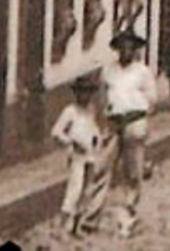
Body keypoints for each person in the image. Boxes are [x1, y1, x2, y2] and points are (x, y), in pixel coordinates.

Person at [101, 29, 157, 239]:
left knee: (132, 170)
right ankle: (90, 217)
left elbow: (152, 99)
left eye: (130, 47)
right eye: (122, 47)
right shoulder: (109, 70)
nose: (126, 51)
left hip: (134, 122)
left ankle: (129, 212)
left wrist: (139, 114)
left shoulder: (142, 72)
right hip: (114, 123)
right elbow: (104, 95)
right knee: (102, 167)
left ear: (135, 50)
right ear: (117, 49)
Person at [51, 76, 107, 237]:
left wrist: (98, 139)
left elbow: (93, 128)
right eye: (81, 92)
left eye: (88, 93)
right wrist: (71, 141)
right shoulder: (70, 111)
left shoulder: (91, 110)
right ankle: (62, 225)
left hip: (91, 153)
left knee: (87, 190)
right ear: (76, 93)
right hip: (77, 155)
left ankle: (76, 225)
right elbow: (56, 132)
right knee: (74, 189)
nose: (85, 96)